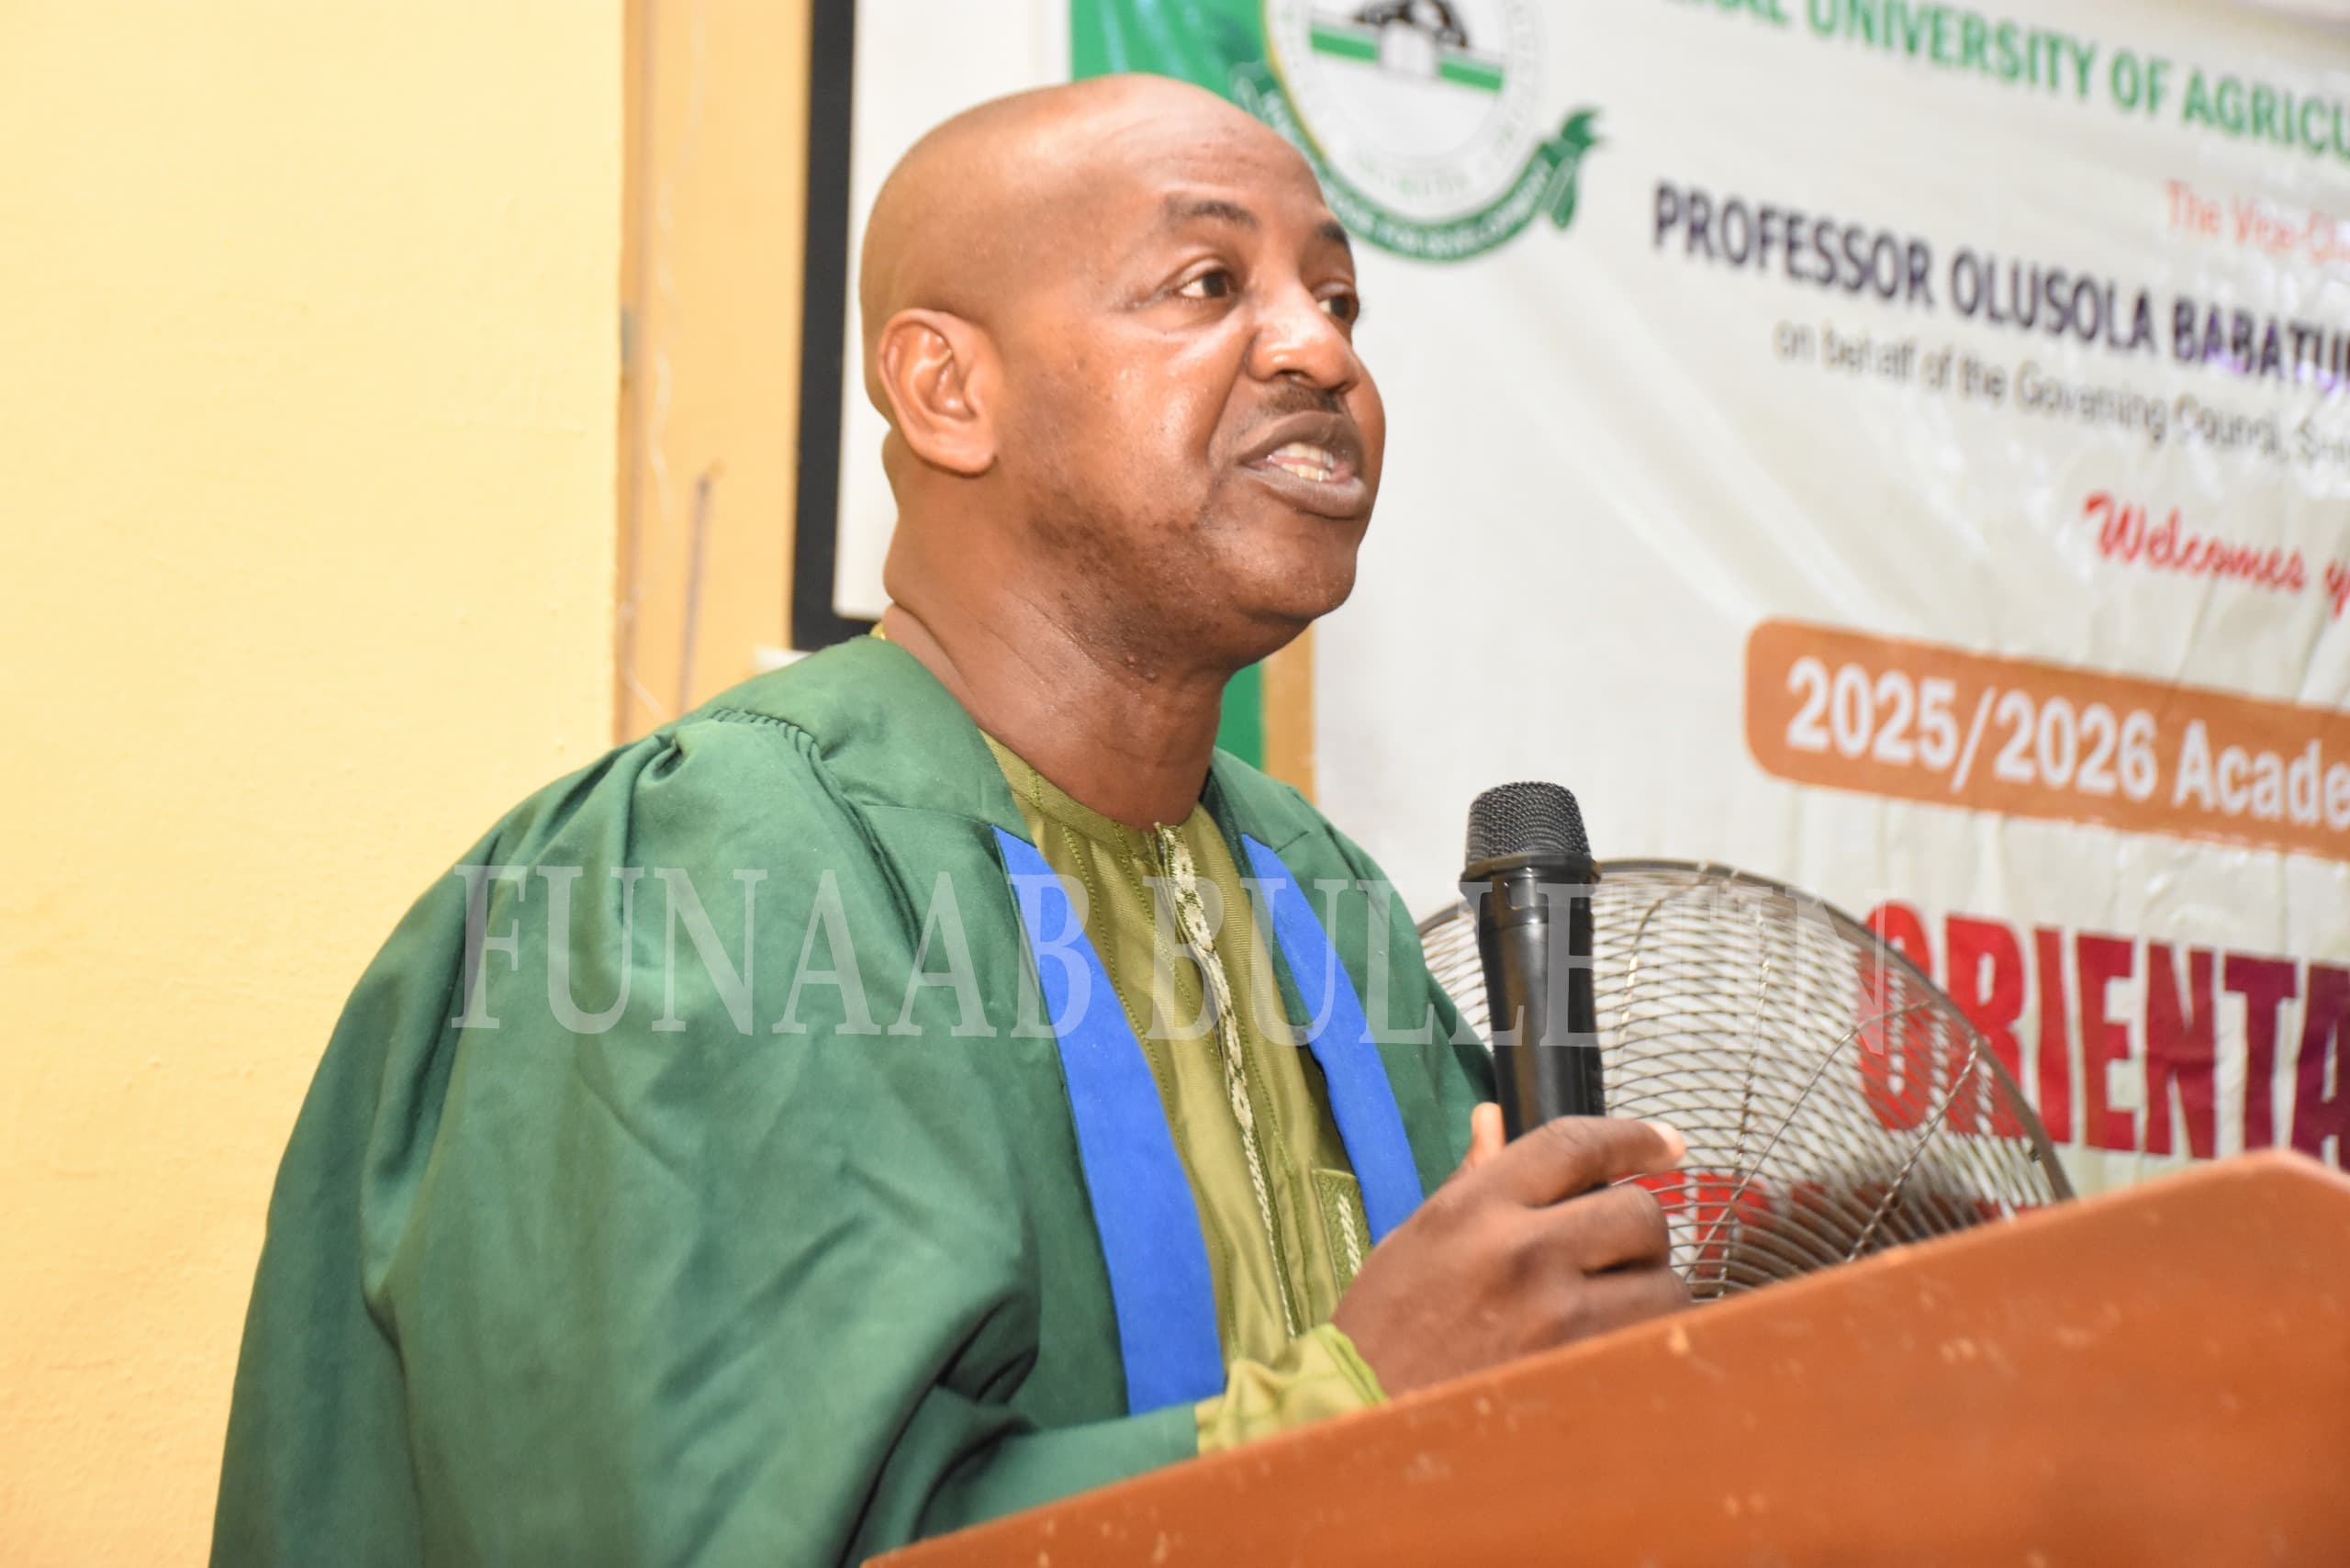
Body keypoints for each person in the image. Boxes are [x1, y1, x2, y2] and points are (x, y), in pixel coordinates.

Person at [211, 73, 1688, 1566]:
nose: (1319, 350)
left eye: (1341, 302)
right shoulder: (708, 872)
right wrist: (1363, 1404)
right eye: (1207, 282)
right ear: (945, 390)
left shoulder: (1318, 894)